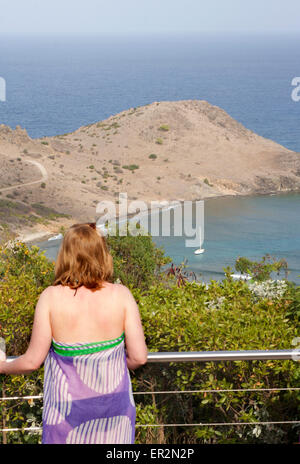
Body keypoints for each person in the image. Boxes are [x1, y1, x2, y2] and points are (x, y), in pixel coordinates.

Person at [0, 223, 148, 444]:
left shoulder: (50, 297)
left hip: (65, 418)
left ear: (65, 255)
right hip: (114, 415)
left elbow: (31, 362)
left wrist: (2, 366)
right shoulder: (122, 295)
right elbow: (139, 357)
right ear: (102, 253)